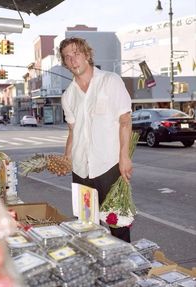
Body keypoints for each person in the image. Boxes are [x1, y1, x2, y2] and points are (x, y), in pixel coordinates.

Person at [58, 37, 133, 242]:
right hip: (81, 168)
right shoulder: (68, 95)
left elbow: (125, 120)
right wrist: (67, 158)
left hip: (109, 165)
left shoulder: (110, 81)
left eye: (76, 53)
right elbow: (73, 131)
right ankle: (94, 268)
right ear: (64, 63)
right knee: (85, 225)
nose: (73, 60)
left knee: (118, 222)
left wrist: (124, 156)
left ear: (87, 55)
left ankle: (123, 268)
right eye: (67, 57)